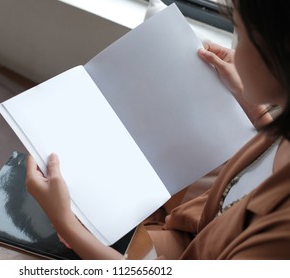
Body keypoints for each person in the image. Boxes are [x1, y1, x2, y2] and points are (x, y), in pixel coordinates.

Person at [25, 0, 290, 259]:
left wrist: (66, 226)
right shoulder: (280, 134)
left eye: (241, 36)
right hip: (177, 236)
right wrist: (255, 110)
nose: (234, 50)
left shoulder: (279, 235)